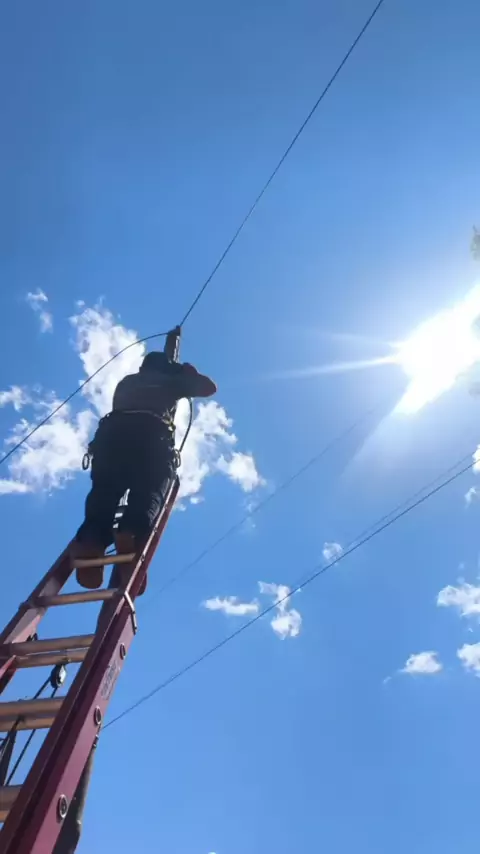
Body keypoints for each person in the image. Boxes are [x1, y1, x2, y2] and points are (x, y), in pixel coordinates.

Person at [72, 351, 217, 590]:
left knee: (104, 492)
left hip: (110, 438)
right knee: (151, 488)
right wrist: (187, 371)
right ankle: (131, 533)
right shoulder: (170, 381)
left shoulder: (127, 382)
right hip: (151, 436)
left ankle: (92, 540)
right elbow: (209, 388)